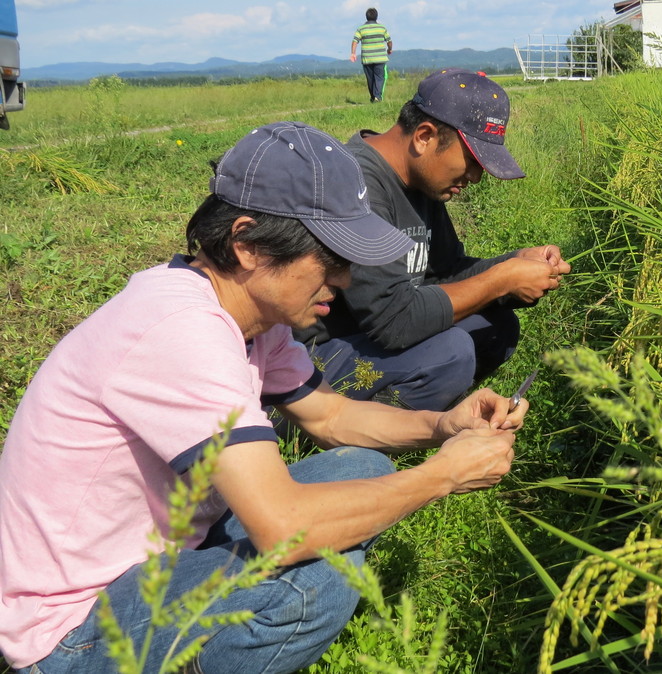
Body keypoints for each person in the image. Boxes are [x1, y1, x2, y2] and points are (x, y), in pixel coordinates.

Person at [0, 121, 526, 673]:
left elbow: (332, 415)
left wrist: (443, 426)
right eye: (332, 258)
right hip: (72, 627)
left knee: (359, 467)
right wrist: (441, 476)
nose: (345, 280)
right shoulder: (180, 330)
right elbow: (280, 526)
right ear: (248, 244)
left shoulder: (252, 315)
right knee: (316, 578)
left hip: (156, 559)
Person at [294, 68, 572, 411]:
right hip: (311, 360)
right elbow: (393, 323)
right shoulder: (356, 186)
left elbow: (446, 273)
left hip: (370, 337)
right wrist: (501, 280)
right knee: (449, 353)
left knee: (497, 326)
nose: (475, 176)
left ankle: (425, 414)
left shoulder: (421, 181)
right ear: (424, 136)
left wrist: (515, 263)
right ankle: (357, 439)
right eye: (472, 160)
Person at [350, 7, 392, 103]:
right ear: (376, 17)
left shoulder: (361, 29)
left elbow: (355, 41)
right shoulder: (382, 28)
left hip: (367, 58)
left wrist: (353, 53)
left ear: (366, 17)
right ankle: (377, 96)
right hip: (380, 58)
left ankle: (374, 97)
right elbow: (389, 41)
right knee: (379, 78)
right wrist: (389, 49)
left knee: (370, 79)